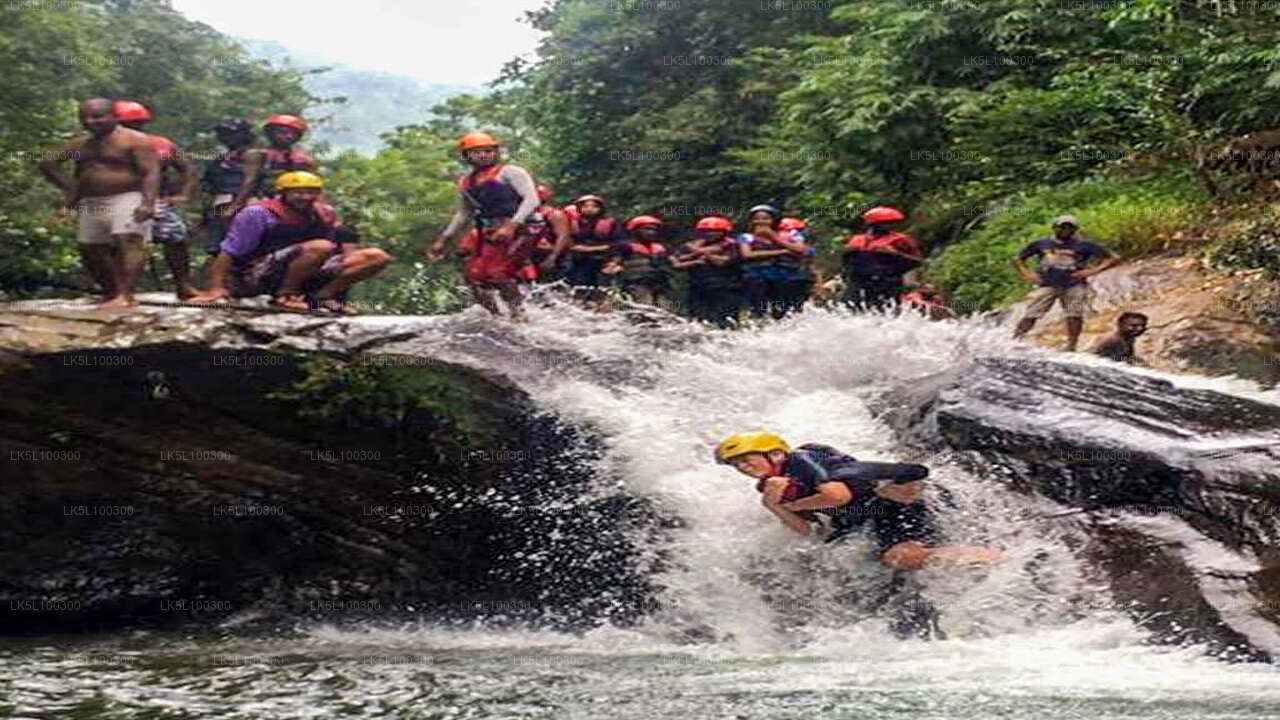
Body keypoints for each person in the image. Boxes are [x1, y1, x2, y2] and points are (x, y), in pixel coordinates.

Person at [714, 432, 1004, 570]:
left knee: (900, 557)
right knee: (892, 560)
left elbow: (838, 495)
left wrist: (790, 505)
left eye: (746, 460)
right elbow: (811, 531)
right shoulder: (772, 488)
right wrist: (774, 506)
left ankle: (1000, 562)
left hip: (893, 501)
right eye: (736, 465)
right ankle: (985, 564)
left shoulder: (801, 460)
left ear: (774, 454)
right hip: (872, 515)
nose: (742, 468)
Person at [189, 171, 390, 313]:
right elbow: (229, 251)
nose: (305, 197)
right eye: (298, 192)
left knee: (376, 257)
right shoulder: (259, 213)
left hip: (304, 269)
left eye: (311, 192)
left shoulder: (323, 214)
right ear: (283, 193)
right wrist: (216, 288)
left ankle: (321, 297)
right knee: (321, 247)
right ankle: (286, 296)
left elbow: (342, 247)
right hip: (256, 274)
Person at [38, 98, 160, 310]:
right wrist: (70, 189)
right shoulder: (81, 145)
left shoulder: (134, 140)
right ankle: (111, 291)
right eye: (84, 118)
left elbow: (150, 172)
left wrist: (148, 203)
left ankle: (126, 294)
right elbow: (49, 164)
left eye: (97, 117)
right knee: (90, 248)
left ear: (114, 117)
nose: (90, 122)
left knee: (129, 241)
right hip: (91, 200)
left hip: (127, 196)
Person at [426, 132, 541, 320]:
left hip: (525, 227)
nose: (483, 155)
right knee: (473, 276)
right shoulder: (466, 181)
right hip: (492, 229)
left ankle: (518, 314)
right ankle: (494, 316)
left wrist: (513, 225)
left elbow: (532, 199)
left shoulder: (511, 172)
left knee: (498, 272)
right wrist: (444, 239)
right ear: (466, 157)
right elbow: (465, 212)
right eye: (477, 152)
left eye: (488, 151)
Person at [114, 100, 199, 299]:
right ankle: (119, 290)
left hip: (156, 200)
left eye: (138, 123)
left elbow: (187, 169)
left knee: (176, 237)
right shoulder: (107, 145)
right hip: (118, 200)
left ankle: (183, 285)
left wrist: (183, 194)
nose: (134, 127)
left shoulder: (161, 144)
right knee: (119, 244)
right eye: (128, 123)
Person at [1011, 215, 1122, 351]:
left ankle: (1071, 346)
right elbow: (1017, 258)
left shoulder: (1084, 245)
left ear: (1075, 229)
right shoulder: (1042, 243)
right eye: (1062, 227)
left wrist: (1092, 271)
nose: (1066, 230)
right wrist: (1026, 273)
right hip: (1047, 283)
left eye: (1070, 227)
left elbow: (1113, 257)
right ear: (1054, 228)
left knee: (1074, 315)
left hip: (1074, 284)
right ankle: (1015, 340)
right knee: (1032, 313)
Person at [841, 206, 924, 312]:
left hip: (886, 283)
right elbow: (847, 263)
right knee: (853, 310)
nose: (886, 226)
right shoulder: (857, 240)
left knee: (885, 311)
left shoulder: (900, 240)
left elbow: (917, 261)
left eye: (888, 223)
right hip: (858, 284)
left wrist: (894, 253)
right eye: (882, 223)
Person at [738, 205, 814, 319]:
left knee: (782, 309)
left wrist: (773, 237)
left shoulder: (789, 234)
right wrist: (781, 252)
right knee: (760, 308)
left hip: (782, 277)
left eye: (765, 218)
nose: (761, 221)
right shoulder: (747, 237)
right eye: (757, 218)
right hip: (757, 276)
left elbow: (800, 249)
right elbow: (747, 254)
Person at [231, 114, 316, 211]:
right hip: (262, 196)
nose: (288, 136)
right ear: (270, 133)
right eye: (283, 132)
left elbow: (312, 184)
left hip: (294, 198)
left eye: (293, 133)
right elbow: (250, 181)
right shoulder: (258, 154)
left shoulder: (303, 159)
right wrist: (237, 204)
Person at [670, 216, 743, 328]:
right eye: (707, 231)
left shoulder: (732, 245)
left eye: (715, 231)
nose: (710, 234)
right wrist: (696, 259)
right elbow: (676, 262)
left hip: (726, 287)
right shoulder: (690, 246)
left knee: (727, 319)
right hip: (698, 287)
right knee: (698, 320)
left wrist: (704, 253)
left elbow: (722, 262)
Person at [200, 117, 256, 257]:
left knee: (239, 244)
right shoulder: (221, 157)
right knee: (217, 246)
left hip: (240, 202)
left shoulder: (252, 154)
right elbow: (209, 186)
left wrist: (235, 206)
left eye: (231, 133)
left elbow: (250, 180)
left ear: (243, 134)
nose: (225, 137)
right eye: (222, 133)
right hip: (220, 203)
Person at [563, 194, 624, 306]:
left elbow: (618, 246)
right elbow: (570, 245)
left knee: (602, 294)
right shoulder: (572, 224)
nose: (589, 209)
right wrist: (600, 248)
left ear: (600, 209)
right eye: (585, 206)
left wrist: (614, 262)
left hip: (602, 264)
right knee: (578, 293)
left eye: (594, 206)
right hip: (579, 264)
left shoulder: (611, 224)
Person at [607, 215, 670, 306]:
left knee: (663, 307)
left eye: (653, 230)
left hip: (658, 284)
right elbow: (614, 261)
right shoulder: (626, 247)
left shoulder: (660, 248)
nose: (651, 233)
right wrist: (614, 268)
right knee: (645, 306)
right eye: (647, 229)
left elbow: (668, 264)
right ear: (635, 231)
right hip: (636, 283)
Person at [519, 183, 570, 283]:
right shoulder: (523, 213)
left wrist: (552, 257)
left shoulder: (554, 214)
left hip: (548, 254)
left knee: (551, 285)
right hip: (529, 256)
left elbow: (563, 236)